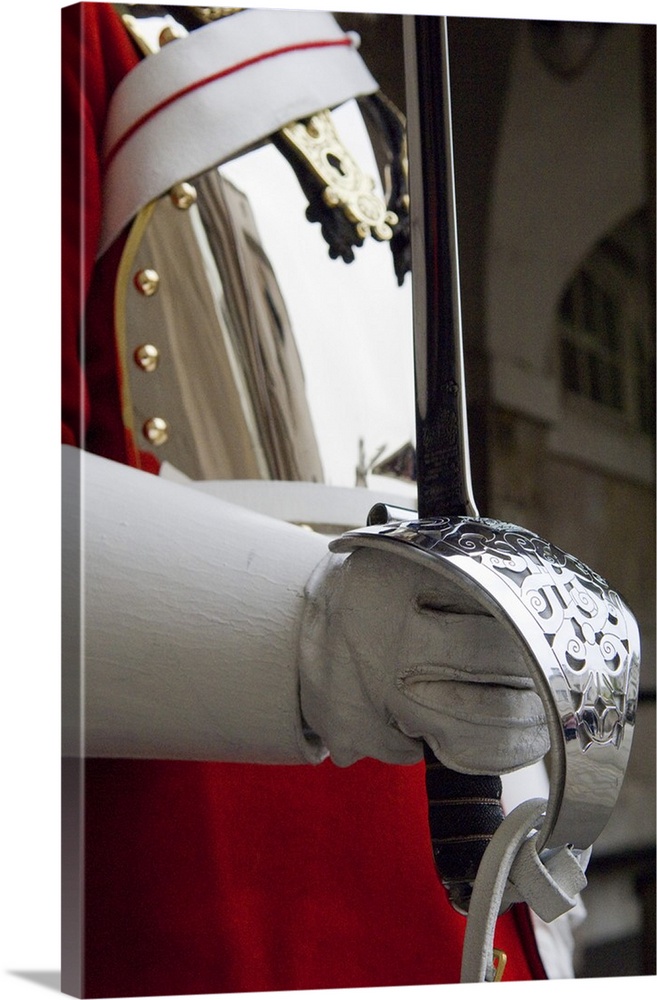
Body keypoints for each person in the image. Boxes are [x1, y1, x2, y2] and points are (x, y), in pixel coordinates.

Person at [62, 5, 556, 995]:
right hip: (203, 866)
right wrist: (324, 638)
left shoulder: (371, 95)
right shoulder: (77, 30)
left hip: (440, 826)